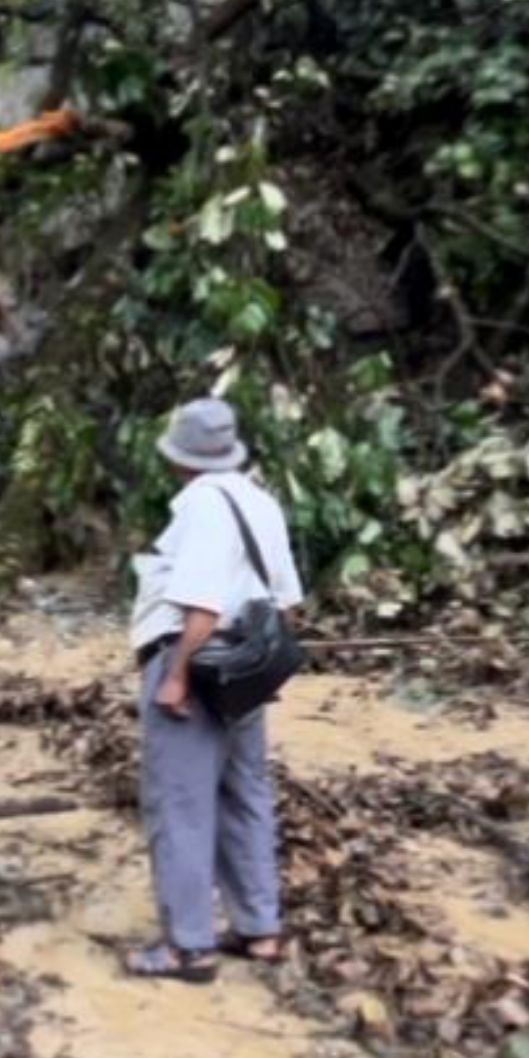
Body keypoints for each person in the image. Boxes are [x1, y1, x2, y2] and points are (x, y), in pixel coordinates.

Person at [122, 398, 304, 984]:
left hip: (197, 661)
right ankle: (259, 929)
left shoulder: (202, 504)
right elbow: (288, 599)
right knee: (243, 791)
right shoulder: (261, 500)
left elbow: (201, 601)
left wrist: (176, 674)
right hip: (245, 666)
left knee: (180, 801)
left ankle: (188, 948)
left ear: (180, 458)